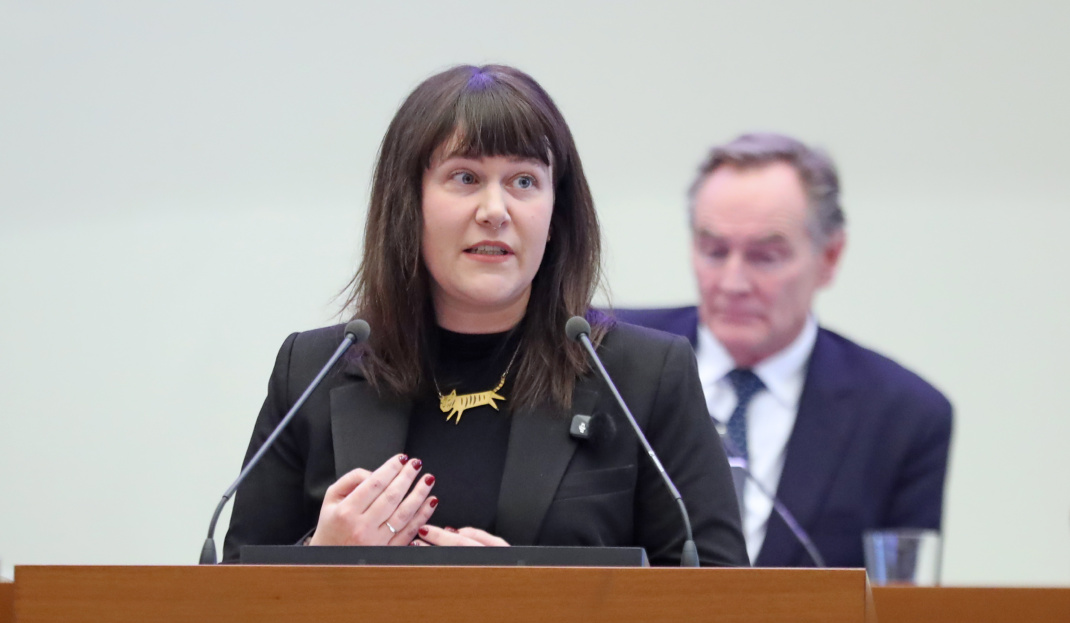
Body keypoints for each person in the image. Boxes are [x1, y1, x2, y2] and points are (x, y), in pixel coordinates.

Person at [222, 65, 747, 567]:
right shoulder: (312, 372)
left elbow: (719, 598)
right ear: (408, 204)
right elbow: (230, 603)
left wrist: (525, 597)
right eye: (465, 177)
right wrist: (320, 559)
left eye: (524, 181)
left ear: (556, 214)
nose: (495, 211)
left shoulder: (643, 378)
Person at [615, 133, 953, 568]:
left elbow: (900, 597)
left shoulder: (903, 416)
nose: (733, 283)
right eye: (714, 251)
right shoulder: (607, 357)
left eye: (765, 257)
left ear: (830, 257)